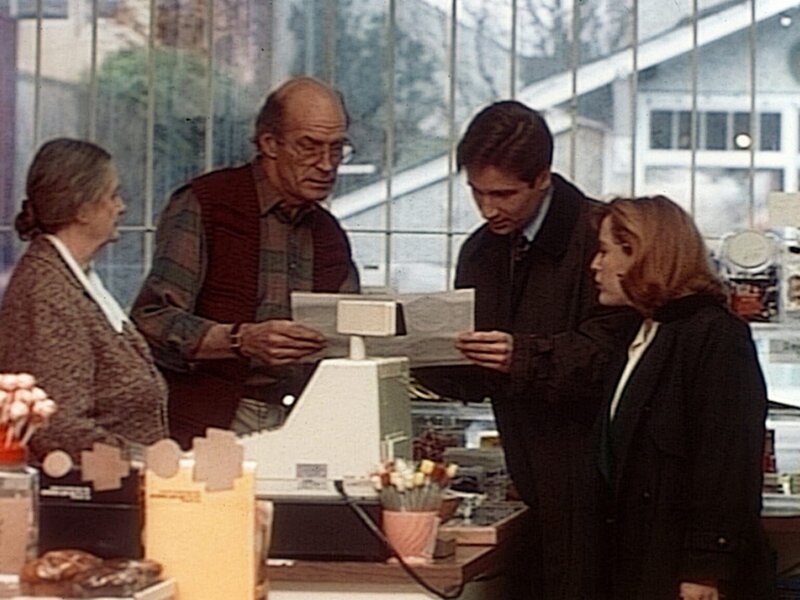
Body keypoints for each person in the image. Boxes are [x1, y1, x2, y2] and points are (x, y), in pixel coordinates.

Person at [415, 100, 635, 599]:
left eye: (503, 194)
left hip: (604, 482)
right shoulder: (480, 250)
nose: (487, 208)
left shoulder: (601, 240)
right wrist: (421, 353)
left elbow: (616, 355)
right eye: (476, 191)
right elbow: (473, 376)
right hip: (525, 477)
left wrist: (522, 356)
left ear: (542, 179)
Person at [131, 76, 359, 449]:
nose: (326, 164)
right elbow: (151, 319)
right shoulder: (208, 204)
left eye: (337, 149)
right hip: (210, 426)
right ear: (269, 144)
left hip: (305, 424)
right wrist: (240, 340)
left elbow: (350, 336)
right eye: (309, 147)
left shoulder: (328, 234)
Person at [588, 196, 774, 600]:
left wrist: (704, 569)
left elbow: (728, 462)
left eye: (604, 251)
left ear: (640, 253)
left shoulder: (714, 335)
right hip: (643, 559)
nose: (594, 265)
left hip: (687, 574)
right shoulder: (642, 333)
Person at [0, 138, 168, 463]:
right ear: (82, 210)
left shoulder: (71, 279)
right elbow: (58, 428)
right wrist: (149, 462)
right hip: (90, 489)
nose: (121, 207)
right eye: (113, 195)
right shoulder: (46, 292)